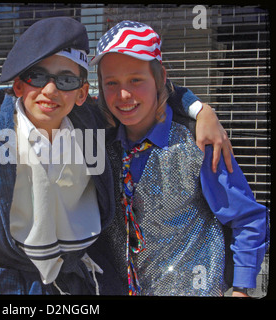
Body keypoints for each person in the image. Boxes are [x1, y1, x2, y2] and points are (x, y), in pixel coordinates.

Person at [0, 17, 232, 295]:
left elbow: (140, 92)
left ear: (82, 92)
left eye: (66, 80)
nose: (50, 90)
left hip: (82, 281)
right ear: (18, 83)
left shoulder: (92, 121)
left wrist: (199, 108)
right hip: (10, 287)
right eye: (37, 76)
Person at [88, 21, 268, 296]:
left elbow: (248, 218)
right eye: (111, 83)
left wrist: (242, 289)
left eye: (136, 80)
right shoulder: (100, 145)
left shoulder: (198, 143)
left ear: (160, 78)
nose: (123, 95)